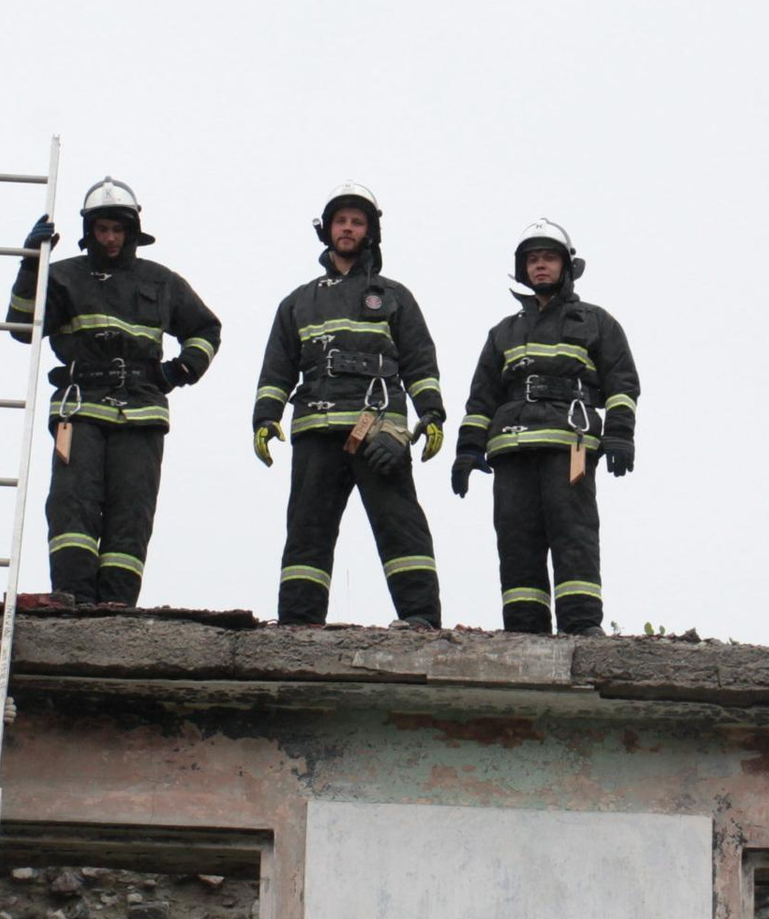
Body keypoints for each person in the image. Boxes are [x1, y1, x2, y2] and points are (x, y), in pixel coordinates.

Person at [6, 179, 221, 607]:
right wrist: (31, 264)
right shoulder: (62, 276)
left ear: (131, 231)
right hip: (80, 406)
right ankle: (71, 595)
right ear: (90, 231)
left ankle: (117, 605)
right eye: (101, 229)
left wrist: (180, 370)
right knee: (73, 504)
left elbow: (206, 329)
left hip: (142, 411)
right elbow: (20, 327)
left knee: (132, 510)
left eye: (116, 230)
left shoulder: (162, 282)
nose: (109, 238)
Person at [254, 183, 446, 626]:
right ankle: (298, 624)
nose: (348, 228)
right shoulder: (299, 301)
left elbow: (420, 362)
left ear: (370, 231)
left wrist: (431, 415)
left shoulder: (394, 295)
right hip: (315, 429)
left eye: (357, 222)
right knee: (307, 530)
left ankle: (420, 619)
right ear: (328, 230)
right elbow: (277, 368)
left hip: (380, 429)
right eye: (341, 221)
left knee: (400, 523)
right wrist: (265, 418)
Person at [451, 220, 639, 634]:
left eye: (548, 258)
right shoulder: (503, 332)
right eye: (532, 260)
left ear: (566, 266)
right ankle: (524, 627)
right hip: (511, 449)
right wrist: (467, 450)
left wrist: (620, 434)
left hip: (567, 443)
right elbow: (481, 398)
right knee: (516, 537)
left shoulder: (596, 322)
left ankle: (581, 625)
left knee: (574, 531)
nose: (540, 267)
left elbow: (622, 384)